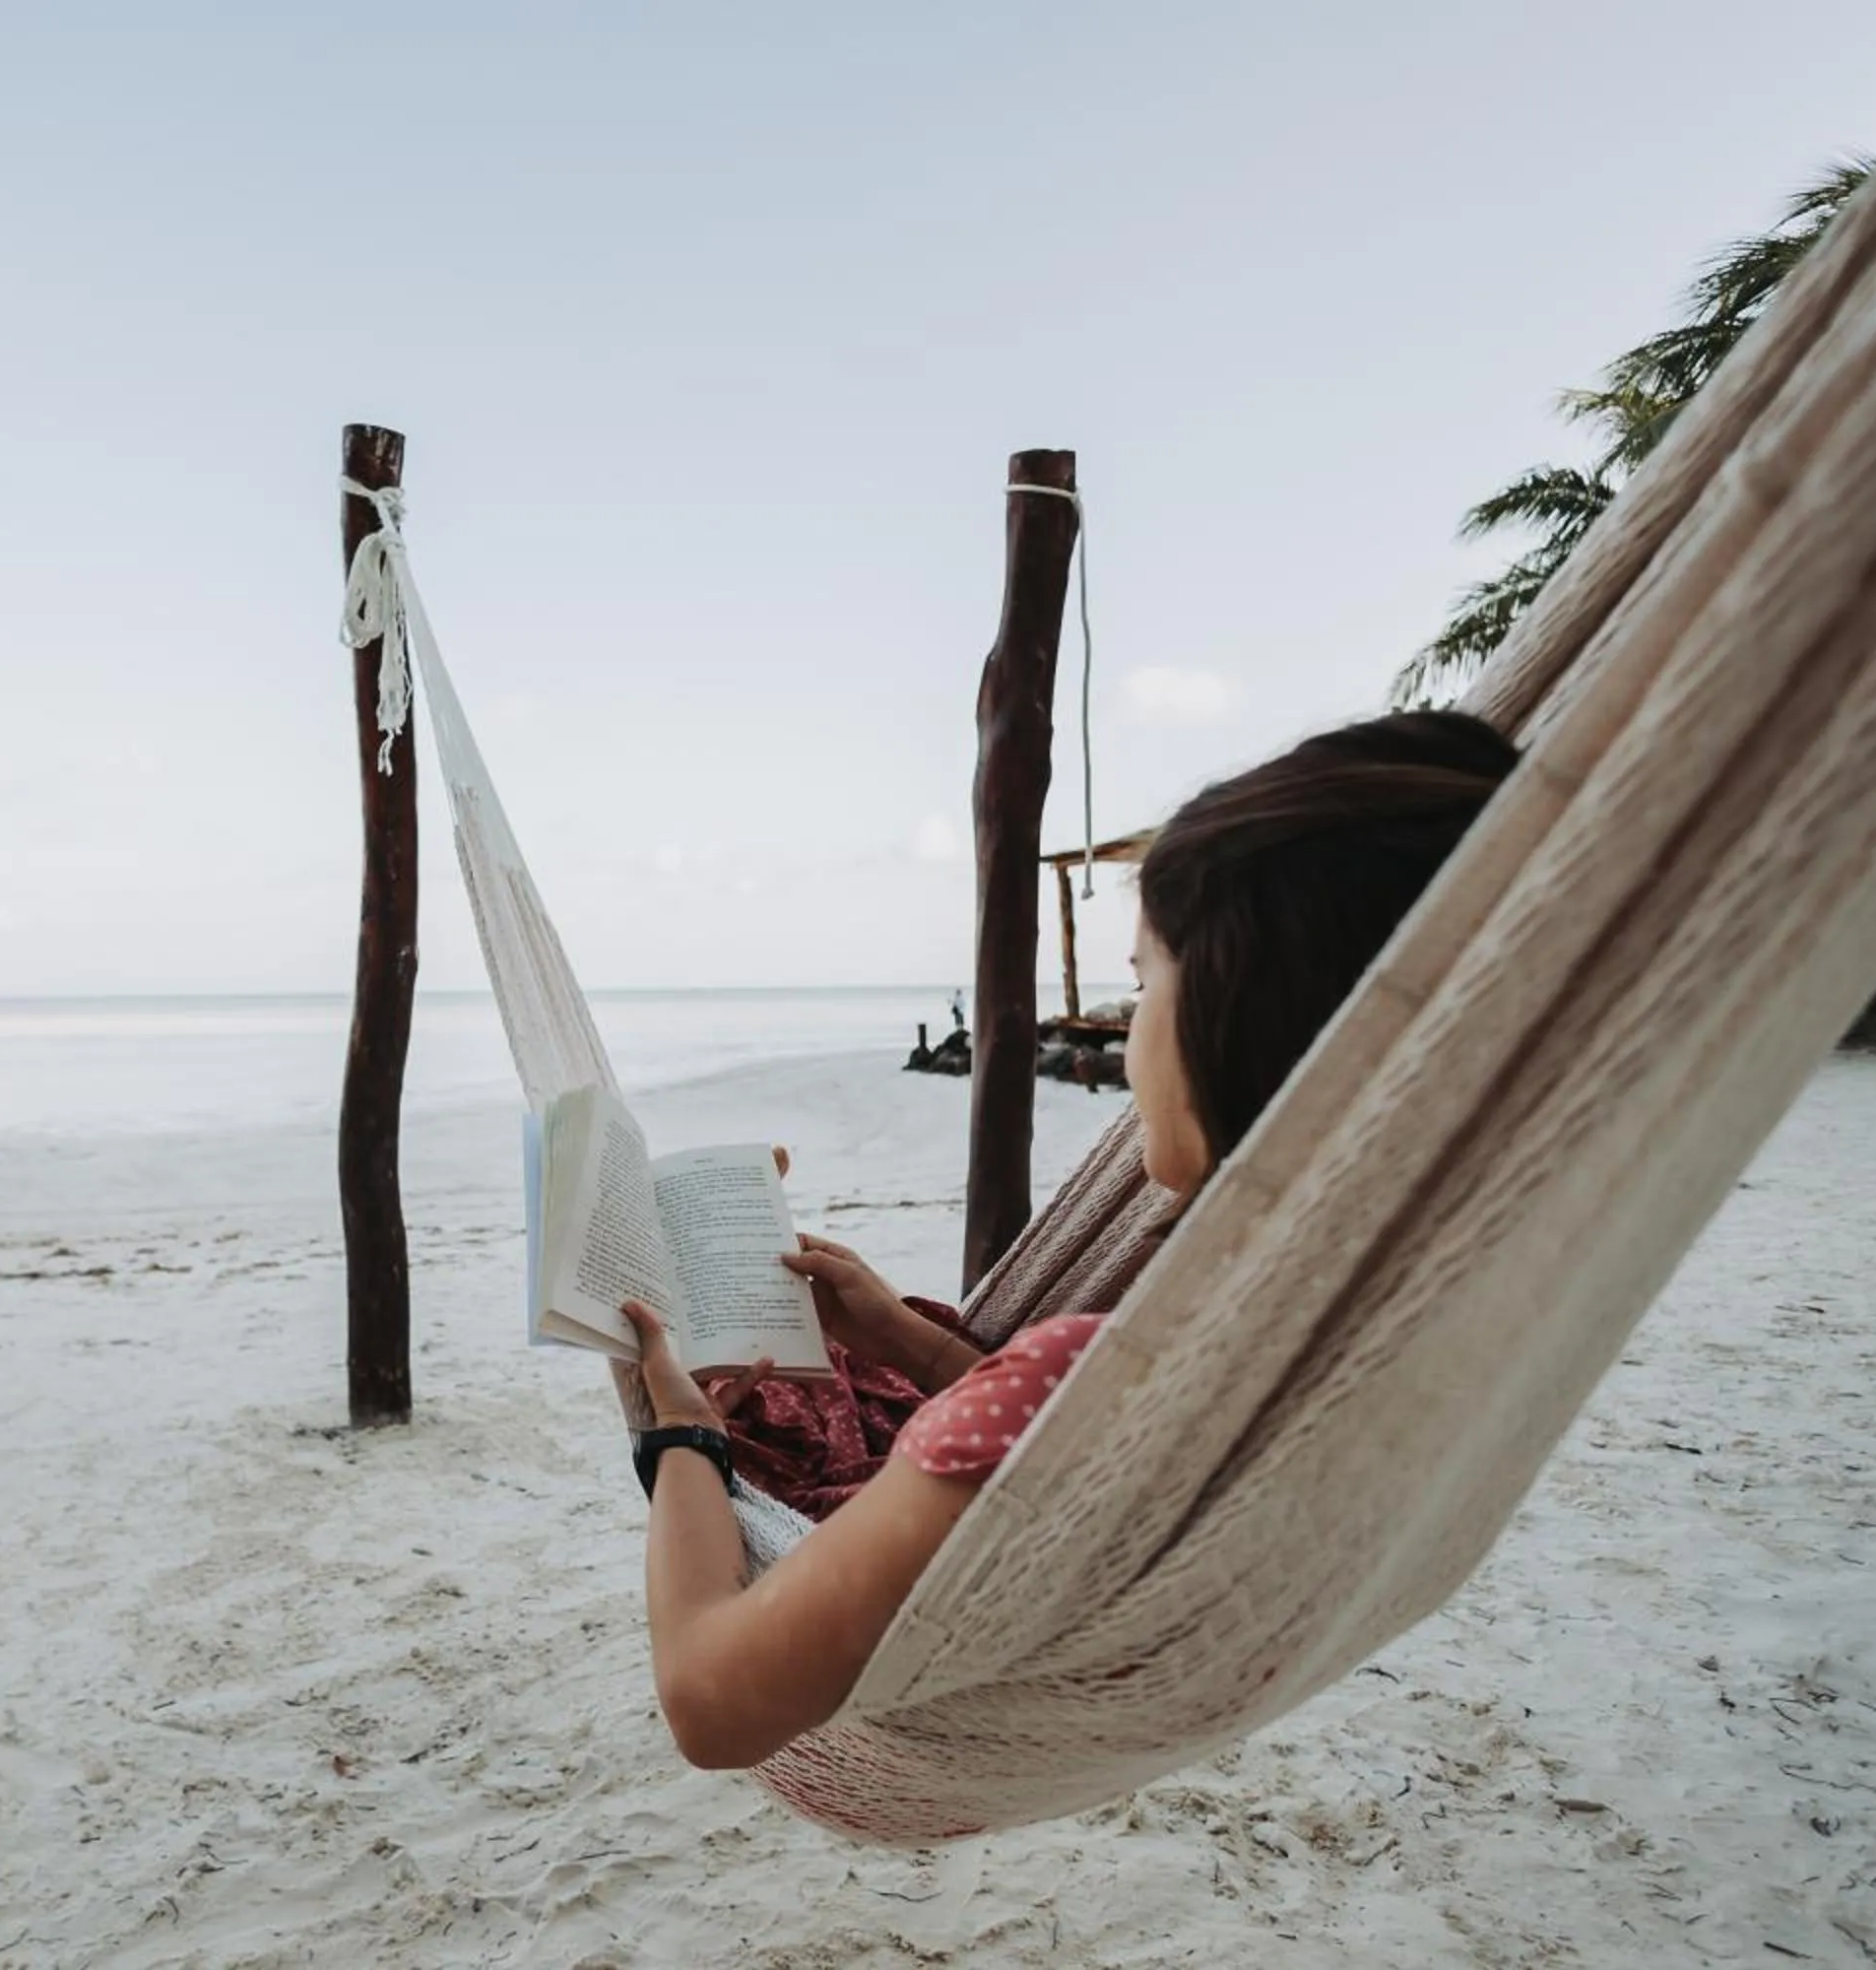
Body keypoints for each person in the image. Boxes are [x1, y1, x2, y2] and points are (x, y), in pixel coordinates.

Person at [618, 709, 1520, 1770]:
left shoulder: (1079, 1369)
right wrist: (900, 1336)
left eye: (1144, 983)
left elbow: (707, 1703)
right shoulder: (1346, 1299)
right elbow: (1070, 1437)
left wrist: (680, 1435)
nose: (1125, 1028)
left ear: (1234, 1010)